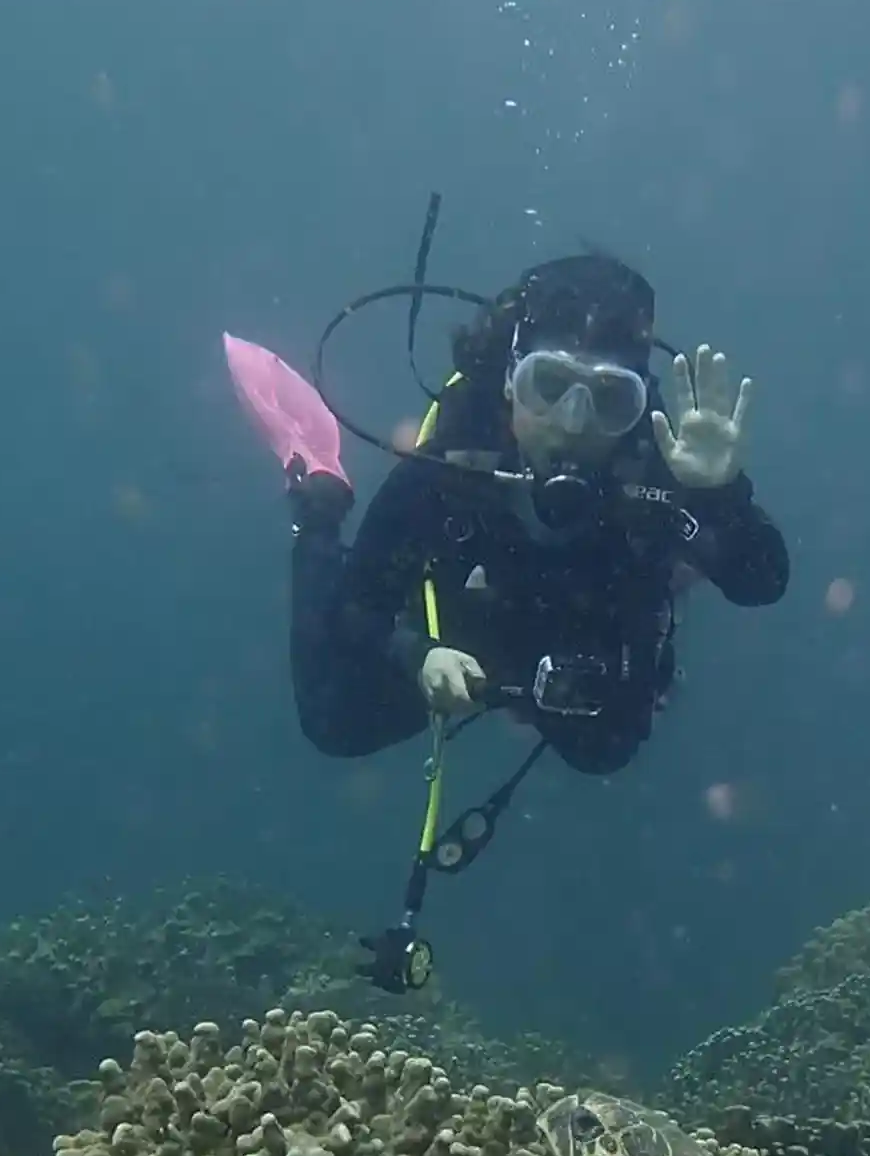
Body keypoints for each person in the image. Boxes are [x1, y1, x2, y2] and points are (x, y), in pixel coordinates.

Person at [282, 252, 788, 776]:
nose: (573, 422)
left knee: (604, 752)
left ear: (637, 406)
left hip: (585, 647)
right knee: (333, 720)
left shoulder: (659, 465)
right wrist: (417, 655)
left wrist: (719, 494)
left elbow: (762, 581)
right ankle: (319, 497)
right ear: (509, 380)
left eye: (609, 399)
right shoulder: (454, 462)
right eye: (548, 385)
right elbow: (357, 610)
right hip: (461, 639)